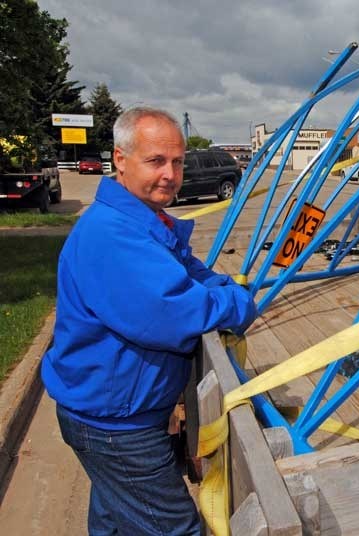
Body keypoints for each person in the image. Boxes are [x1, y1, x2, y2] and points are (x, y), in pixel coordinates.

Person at [41, 106, 257, 535]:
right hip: (117, 427)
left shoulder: (142, 221)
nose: (170, 174)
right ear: (121, 159)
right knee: (175, 528)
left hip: (111, 412)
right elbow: (174, 313)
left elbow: (191, 272)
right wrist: (239, 304)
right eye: (156, 161)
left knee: (116, 522)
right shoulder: (114, 234)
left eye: (177, 162)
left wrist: (224, 286)